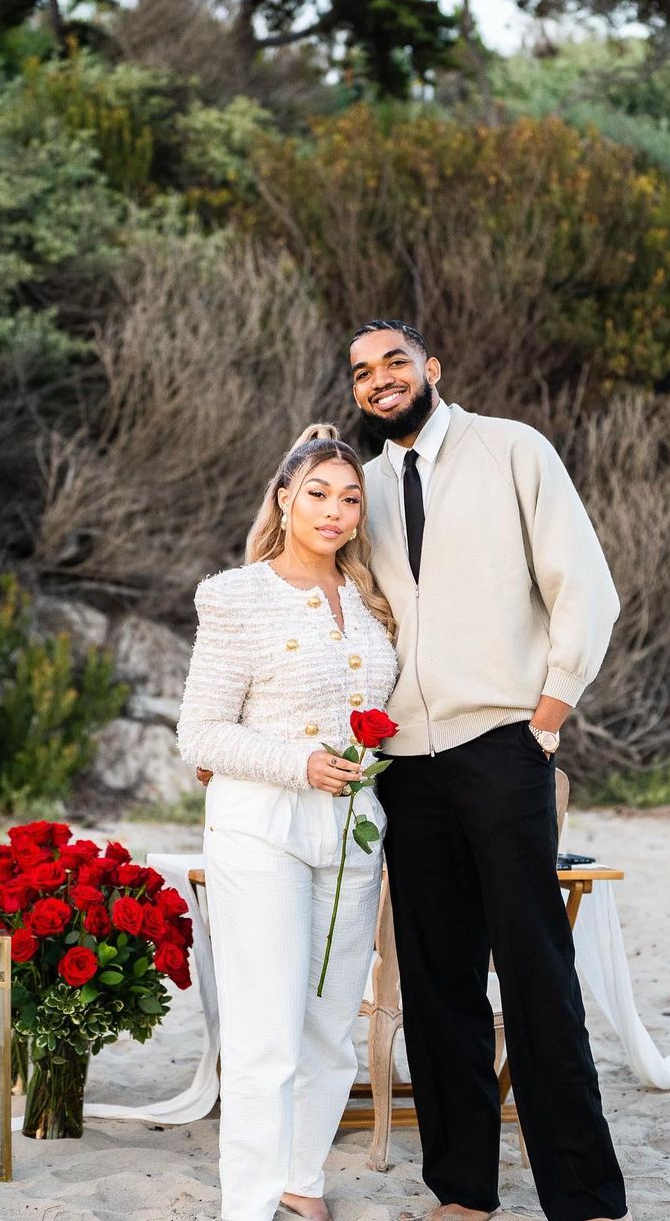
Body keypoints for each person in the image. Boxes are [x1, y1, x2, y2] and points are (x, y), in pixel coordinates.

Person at [349, 321, 631, 1221]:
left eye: (396, 362)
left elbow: (584, 586)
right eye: (363, 372)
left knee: (537, 971)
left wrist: (549, 712)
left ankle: (583, 1197)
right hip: (406, 765)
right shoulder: (364, 486)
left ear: (431, 368)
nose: (380, 379)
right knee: (438, 983)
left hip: (503, 745)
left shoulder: (513, 450)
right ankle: (463, 1191)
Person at [176, 425, 398, 1221]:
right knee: (266, 1031)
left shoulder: (375, 604)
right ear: (283, 498)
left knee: (332, 1024)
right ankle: (247, 1204)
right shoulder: (237, 596)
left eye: (350, 498)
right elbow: (200, 734)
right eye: (317, 494)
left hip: (352, 834)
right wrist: (297, 762)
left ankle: (302, 1180)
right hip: (261, 828)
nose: (334, 511)